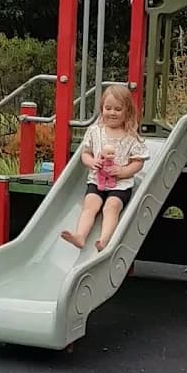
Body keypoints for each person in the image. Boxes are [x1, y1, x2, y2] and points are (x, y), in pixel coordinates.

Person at [61, 85, 149, 252]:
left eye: (118, 109)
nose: (112, 112)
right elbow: (85, 153)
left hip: (120, 185)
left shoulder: (131, 137)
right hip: (97, 180)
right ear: (102, 109)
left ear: (127, 111)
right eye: (108, 108)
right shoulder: (95, 131)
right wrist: (92, 162)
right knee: (90, 205)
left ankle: (104, 240)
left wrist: (123, 172)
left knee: (111, 207)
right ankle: (80, 236)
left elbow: (138, 162)